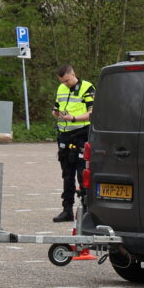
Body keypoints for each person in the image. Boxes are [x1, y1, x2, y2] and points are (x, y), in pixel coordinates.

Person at [50, 64, 94, 223]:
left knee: (83, 174)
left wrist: (74, 118)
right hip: (65, 136)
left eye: (67, 81)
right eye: (62, 81)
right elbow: (56, 108)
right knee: (67, 175)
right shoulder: (61, 88)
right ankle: (67, 210)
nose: (65, 84)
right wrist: (56, 113)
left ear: (73, 74)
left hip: (81, 135)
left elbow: (92, 112)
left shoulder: (87, 88)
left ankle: (86, 211)